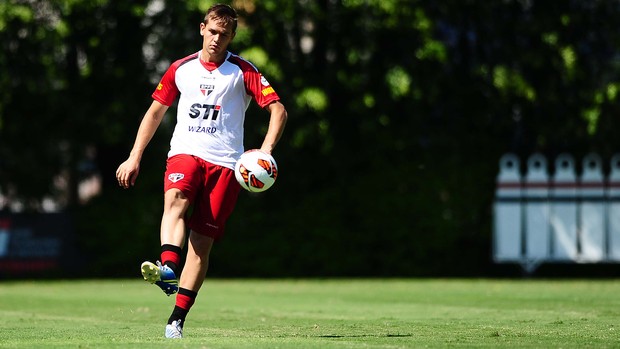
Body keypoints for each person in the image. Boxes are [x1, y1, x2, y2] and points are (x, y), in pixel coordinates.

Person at [115, 4, 287, 339]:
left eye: (224, 34)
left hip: (226, 164)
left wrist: (265, 152)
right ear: (201, 29)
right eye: (212, 31)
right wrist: (134, 156)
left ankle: (176, 319)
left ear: (232, 36)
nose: (217, 39)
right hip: (186, 152)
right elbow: (154, 113)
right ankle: (167, 267)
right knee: (176, 199)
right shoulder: (181, 68)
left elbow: (278, 109)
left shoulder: (243, 71)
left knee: (201, 244)